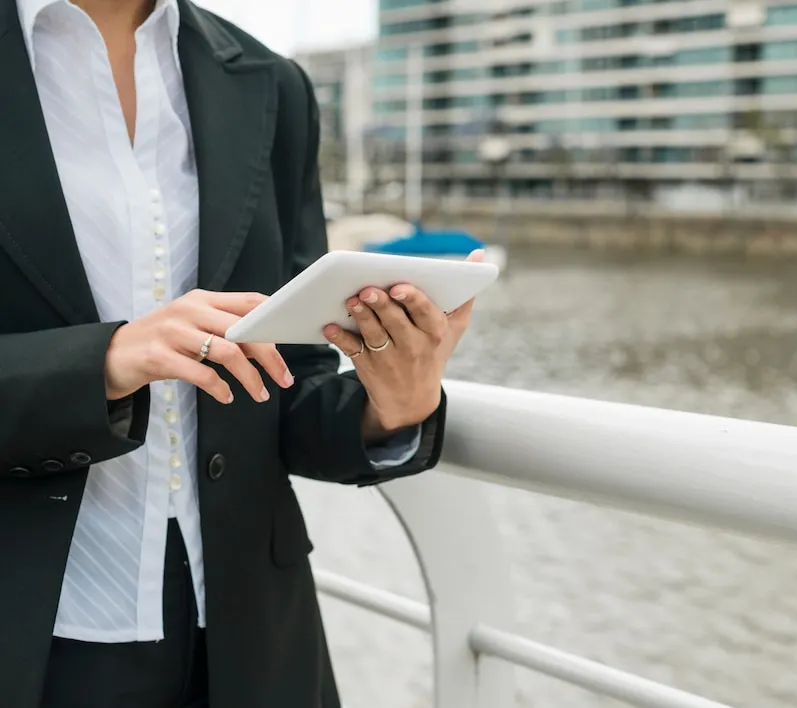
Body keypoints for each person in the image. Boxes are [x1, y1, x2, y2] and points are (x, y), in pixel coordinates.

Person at [0, 0, 477, 705]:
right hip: (31, 634)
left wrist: (395, 404)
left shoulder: (271, 84)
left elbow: (290, 383)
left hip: (249, 641)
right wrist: (106, 361)